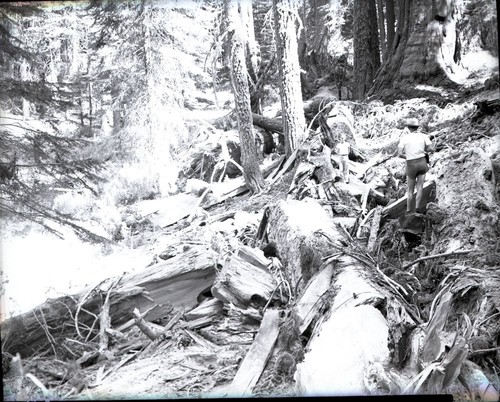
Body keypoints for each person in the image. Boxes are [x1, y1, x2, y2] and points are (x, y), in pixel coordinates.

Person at [398, 118, 435, 213]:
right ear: (417, 127)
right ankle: (417, 209)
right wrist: (423, 151)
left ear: (408, 128)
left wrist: (409, 155)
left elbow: (400, 154)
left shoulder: (404, 138)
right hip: (422, 162)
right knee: (420, 188)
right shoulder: (424, 136)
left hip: (411, 164)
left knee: (410, 190)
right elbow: (432, 149)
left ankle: (408, 210)